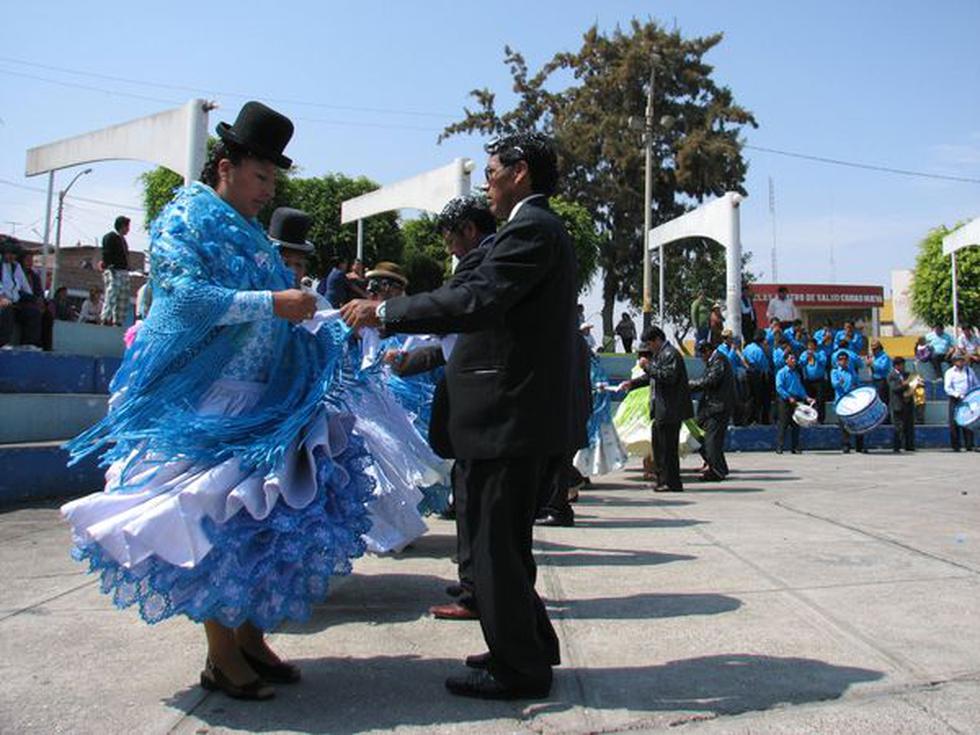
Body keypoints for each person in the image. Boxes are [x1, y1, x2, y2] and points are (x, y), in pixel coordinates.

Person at [61, 101, 373, 702]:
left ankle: (249, 639)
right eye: (261, 178)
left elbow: (266, 304)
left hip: (261, 406)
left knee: (258, 525)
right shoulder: (186, 218)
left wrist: (312, 324)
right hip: (207, 407)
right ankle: (221, 656)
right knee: (216, 525)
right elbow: (183, 298)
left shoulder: (250, 229)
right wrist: (271, 304)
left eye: (272, 180)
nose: (266, 191)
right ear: (226, 167)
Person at [341, 132, 574, 700]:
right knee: (506, 548)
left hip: (508, 417)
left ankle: (518, 670)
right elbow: (469, 286)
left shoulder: (533, 229)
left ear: (519, 172)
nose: (487, 182)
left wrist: (386, 310)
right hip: (507, 417)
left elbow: (477, 300)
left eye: (493, 170)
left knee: (495, 547)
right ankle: (526, 646)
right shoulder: (527, 230)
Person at [388, 193, 496, 622]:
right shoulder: (484, 263)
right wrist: (408, 363)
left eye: (450, 238)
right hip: (470, 403)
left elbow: (448, 314)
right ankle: (473, 581)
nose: (449, 249)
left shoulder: (482, 266)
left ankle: (479, 594)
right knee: (469, 499)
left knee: (481, 505)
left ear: (468, 231)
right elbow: (452, 346)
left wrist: (384, 313)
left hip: (481, 405)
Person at [619, 325, 693, 492]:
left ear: (658, 340)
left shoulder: (670, 354)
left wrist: (647, 366)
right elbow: (652, 377)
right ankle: (662, 479)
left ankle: (671, 482)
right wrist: (633, 383)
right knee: (659, 448)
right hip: (661, 409)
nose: (649, 348)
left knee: (668, 449)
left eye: (650, 344)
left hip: (670, 410)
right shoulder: (661, 355)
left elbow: (667, 377)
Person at [688, 341, 736, 481]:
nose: (702, 358)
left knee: (712, 440)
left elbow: (710, 381)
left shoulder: (719, 360)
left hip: (718, 407)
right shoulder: (714, 360)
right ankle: (715, 466)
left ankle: (717, 471)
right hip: (710, 407)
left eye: (702, 354)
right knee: (699, 435)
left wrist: (689, 385)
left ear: (708, 350)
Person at [775, 351, 812, 454]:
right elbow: (779, 387)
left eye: (794, 359)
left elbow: (799, 388)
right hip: (785, 401)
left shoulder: (796, 373)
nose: (794, 360)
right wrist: (788, 397)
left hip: (796, 400)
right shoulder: (781, 372)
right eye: (791, 359)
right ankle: (780, 446)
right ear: (786, 360)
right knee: (783, 424)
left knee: (796, 424)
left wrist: (806, 397)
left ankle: (795, 447)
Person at [268, 207, 315, 287]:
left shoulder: (314, 298)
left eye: (298, 265)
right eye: (285, 264)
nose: (293, 271)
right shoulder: (252, 294)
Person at [831, 351, 866, 453]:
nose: (843, 361)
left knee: (857, 423)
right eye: (841, 359)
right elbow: (834, 384)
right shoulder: (835, 372)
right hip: (841, 401)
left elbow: (857, 382)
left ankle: (859, 446)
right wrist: (839, 383)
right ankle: (846, 445)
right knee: (844, 425)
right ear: (837, 361)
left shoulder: (851, 371)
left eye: (845, 359)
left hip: (852, 400)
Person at [100, 215, 132, 326]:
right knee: (112, 295)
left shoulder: (123, 240)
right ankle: (105, 319)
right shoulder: (111, 237)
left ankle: (118, 321)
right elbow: (106, 253)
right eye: (127, 226)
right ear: (122, 226)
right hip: (114, 271)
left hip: (123, 271)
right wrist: (109, 266)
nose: (128, 229)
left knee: (123, 297)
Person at [944, 351, 977, 452]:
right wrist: (957, 395)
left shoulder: (969, 371)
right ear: (954, 362)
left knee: (968, 422)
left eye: (962, 360)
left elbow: (975, 383)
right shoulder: (950, 372)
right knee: (954, 423)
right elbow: (947, 388)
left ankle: (969, 444)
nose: (961, 362)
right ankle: (956, 445)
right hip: (955, 399)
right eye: (958, 360)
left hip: (968, 399)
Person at [1, 239, 32, 346]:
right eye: (9, 253)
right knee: (6, 308)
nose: (11, 256)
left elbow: (25, 287)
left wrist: (35, 299)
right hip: (3, 301)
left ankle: (29, 344)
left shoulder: (15, 266)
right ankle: (3, 343)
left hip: (15, 302)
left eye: (14, 254)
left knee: (35, 312)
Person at [742, 329, 772, 424]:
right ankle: (760, 419)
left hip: (748, 373)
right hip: (758, 375)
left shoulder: (747, 347)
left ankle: (748, 419)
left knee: (750, 397)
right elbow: (764, 366)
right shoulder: (759, 351)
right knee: (760, 398)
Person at [887, 356, 916, 452]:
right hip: (897, 404)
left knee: (909, 426)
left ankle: (909, 446)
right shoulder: (891, 375)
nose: (903, 367)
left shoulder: (907, 374)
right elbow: (894, 388)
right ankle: (897, 446)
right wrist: (905, 384)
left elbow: (912, 383)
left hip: (907, 403)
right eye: (902, 365)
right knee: (898, 427)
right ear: (896, 366)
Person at [800, 338, 828, 423]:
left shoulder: (821, 353)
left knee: (820, 400)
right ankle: (808, 418)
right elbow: (800, 363)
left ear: (815, 346)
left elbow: (824, 362)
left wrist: (815, 355)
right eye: (809, 345)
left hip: (819, 380)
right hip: (808, 380)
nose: (810, 347)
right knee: (808, 400)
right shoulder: (804, 354)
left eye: (812, 345)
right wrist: (806, 358)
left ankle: (820, 419)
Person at [866, 339, 892, 417]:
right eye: (872, 349)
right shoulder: (873, 357)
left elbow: (883, 368)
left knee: (883, 400)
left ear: (879, 348)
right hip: (874, 380)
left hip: (882, 381)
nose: (873, 351)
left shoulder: (884, 357)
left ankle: (886, 418)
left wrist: (872, 364)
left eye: (875, 349)